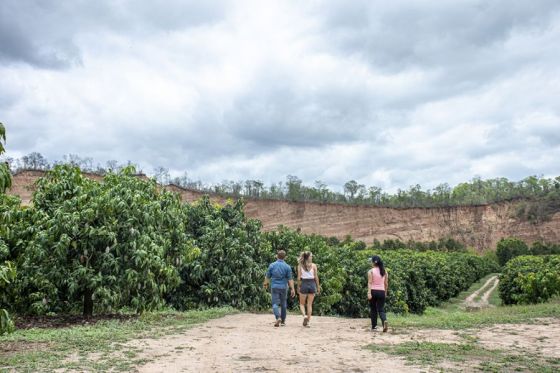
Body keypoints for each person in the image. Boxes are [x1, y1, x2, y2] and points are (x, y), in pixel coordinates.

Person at [263, 249, 296, 327]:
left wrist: (265, 285)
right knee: (283, 303)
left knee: (275, 303)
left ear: (277, 256)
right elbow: (290, 279)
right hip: (284, 287)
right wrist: (292, 289)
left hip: (274, 286)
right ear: (285, 257)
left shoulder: (272, 265)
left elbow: (267, 277)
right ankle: (283, 321)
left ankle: (278, 317)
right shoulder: (287, 267)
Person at [297, 251, 320, 327]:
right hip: (312, 284)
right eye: (311, 256)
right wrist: (318, 287)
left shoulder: (300, 266)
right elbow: (316, 277)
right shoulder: (314, 266)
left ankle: (304, 316)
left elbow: (299, 278)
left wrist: (298, 287)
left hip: (304, 283)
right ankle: (308, 322)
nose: (312, 257)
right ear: (308, 257)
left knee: (301, 303)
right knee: (309, 304)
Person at [367, 255, 388, 332]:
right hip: (381, 291)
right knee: (381, 309)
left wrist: (369, 293)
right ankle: (384, 321)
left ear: (373, 262)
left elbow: (369, 282)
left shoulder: (370, 271)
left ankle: (374, 327)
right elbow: (386, 283)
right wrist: (385, 292)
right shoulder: (384, 271)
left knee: (373, 309)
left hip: (373, 291)